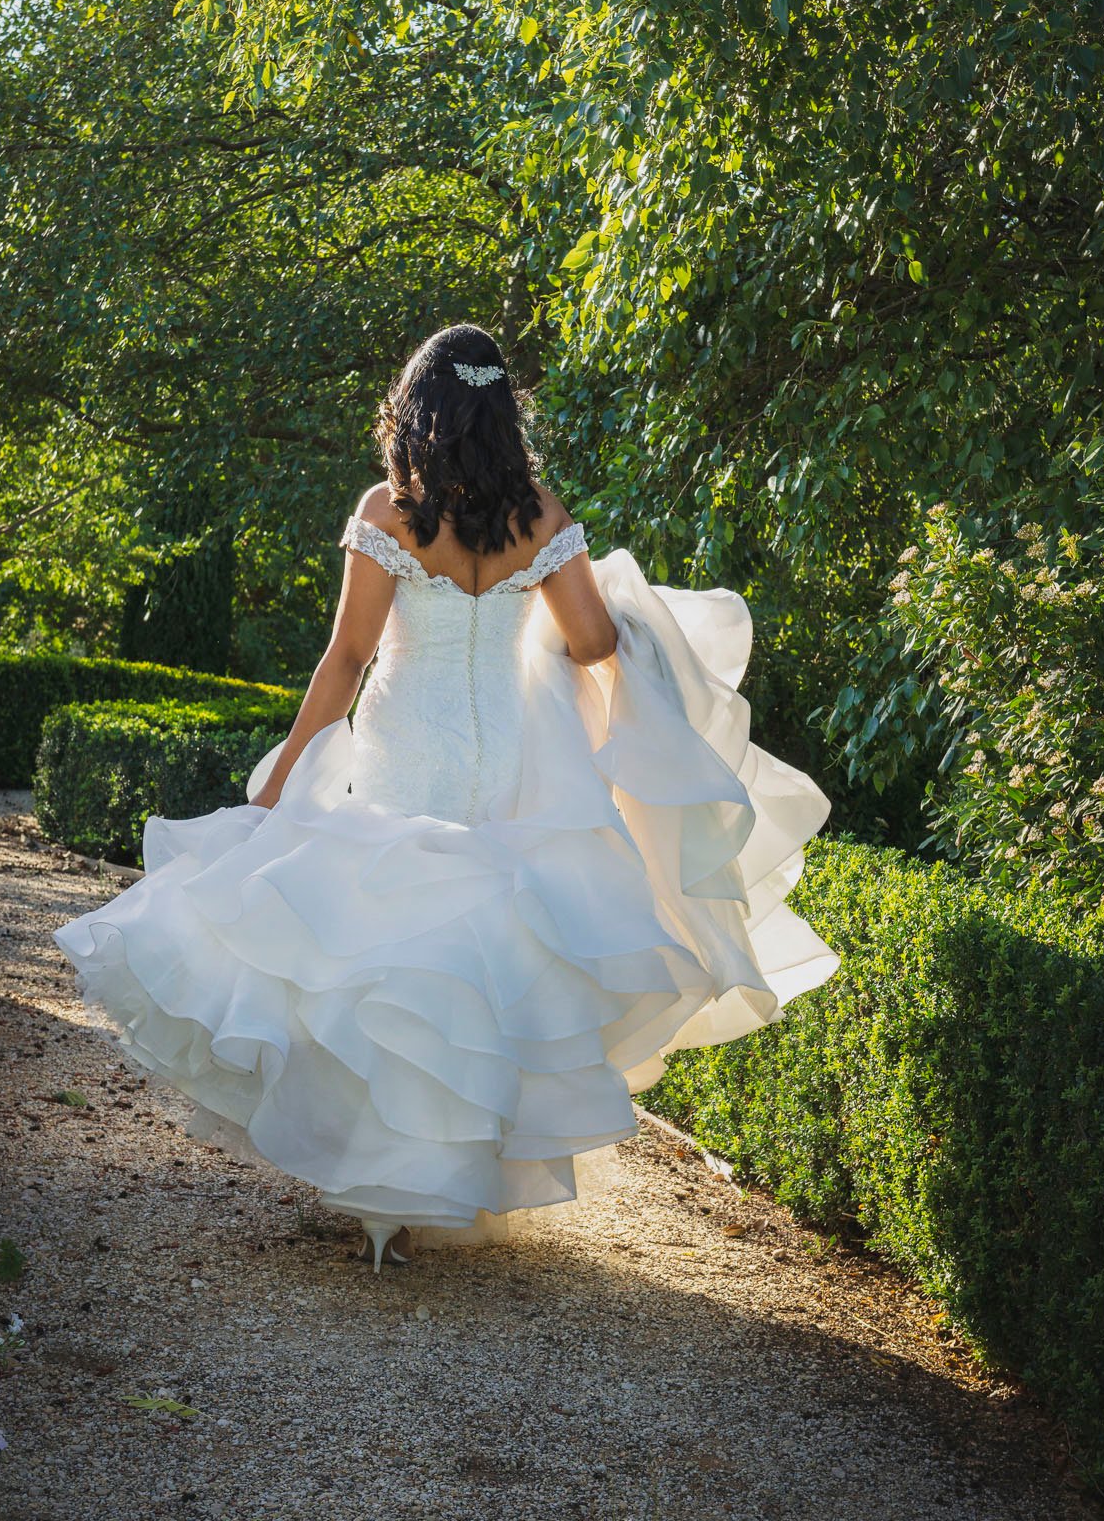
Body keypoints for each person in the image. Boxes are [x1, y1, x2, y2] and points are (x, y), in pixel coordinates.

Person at [53, 323, 839, 1271]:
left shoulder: (391, 513)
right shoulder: (537, 518)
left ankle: (381, 1189)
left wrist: (283, 780)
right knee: (478, 966)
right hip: (504, 757)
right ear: (502, 414)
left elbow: (347, 658)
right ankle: (439, 1183)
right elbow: (594, 645)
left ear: (417, 409)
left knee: (384, 956)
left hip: (406, 752)